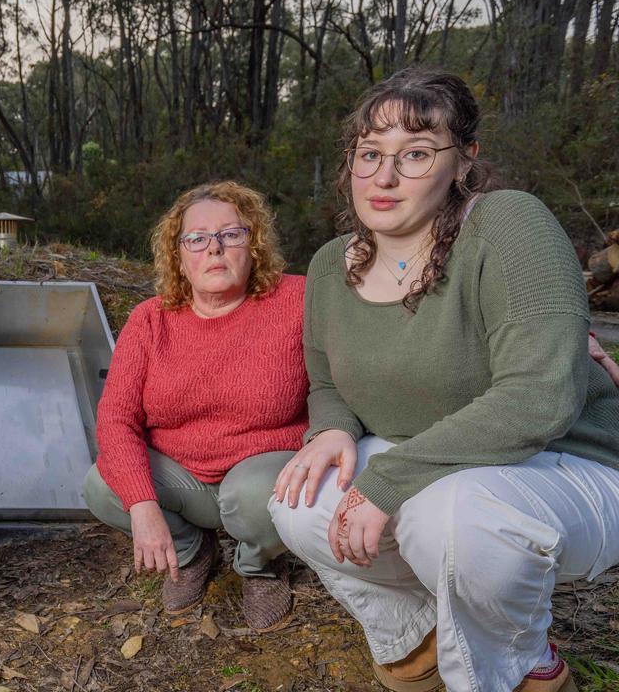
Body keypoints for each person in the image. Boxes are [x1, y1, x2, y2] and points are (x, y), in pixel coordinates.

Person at [269, 68, 619, 692]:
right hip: (431, 461)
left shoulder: (508, 225)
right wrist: (329, 429)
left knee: (452, 515)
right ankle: (416, 637)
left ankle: (519, 668)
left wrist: (386, 483)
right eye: (370, 153)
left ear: (464, 162)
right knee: (298, 500)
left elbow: (541, 397)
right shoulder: (329, 265)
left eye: (417, 154)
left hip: (564, 464)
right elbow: (325, 380)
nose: (384, 176)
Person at [83, 180, 304, 632]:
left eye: (231, 234)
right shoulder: (150, 319)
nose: (215, 249)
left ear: (254, 244)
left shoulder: (297, 300)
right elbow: (116, 417)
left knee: (256, 496)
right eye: (198, 239)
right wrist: (143, 505)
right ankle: (191, 551)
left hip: (261, 475)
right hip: (183, 477)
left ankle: (259, 565)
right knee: (103, 484)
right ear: (179, 256)